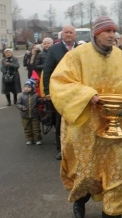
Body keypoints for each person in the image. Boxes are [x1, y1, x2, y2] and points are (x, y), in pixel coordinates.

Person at [49, 17, 122, 218]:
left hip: (116, 125)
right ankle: (80, 200)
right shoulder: (77, 56)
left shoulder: (121, 58)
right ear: (96, 33)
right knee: (85, 170)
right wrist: (86, 95)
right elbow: (60, 82)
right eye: (107, 32)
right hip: (86, 124)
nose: (112, 35)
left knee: (118, 169)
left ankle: (113, 211)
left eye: (114, 32)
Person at [42, 25, 77, 160]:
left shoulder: (80, 49)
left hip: (77, 91)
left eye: (71, 32)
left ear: (75, 35)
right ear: (62, 35)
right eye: (66, 32)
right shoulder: (54, 50)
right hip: (60, 91)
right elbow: (47, 71)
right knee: (60, 120)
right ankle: (61, 149)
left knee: (77, 118)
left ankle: (76, 147)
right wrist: (47, 91)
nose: (68, 35)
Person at [16, 79, 42, 145]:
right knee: (27, 128)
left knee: (36, 128)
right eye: (26, 87)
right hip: (25, 115)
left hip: (34, 115)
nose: (27, 88)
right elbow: (18, 104)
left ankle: (37, 139)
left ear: (33, 87)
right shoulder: (21, 96)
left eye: (29, 87)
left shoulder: (36, 95)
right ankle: (30, 139)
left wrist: (42, 100)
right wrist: (21, 107)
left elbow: (40, 102)